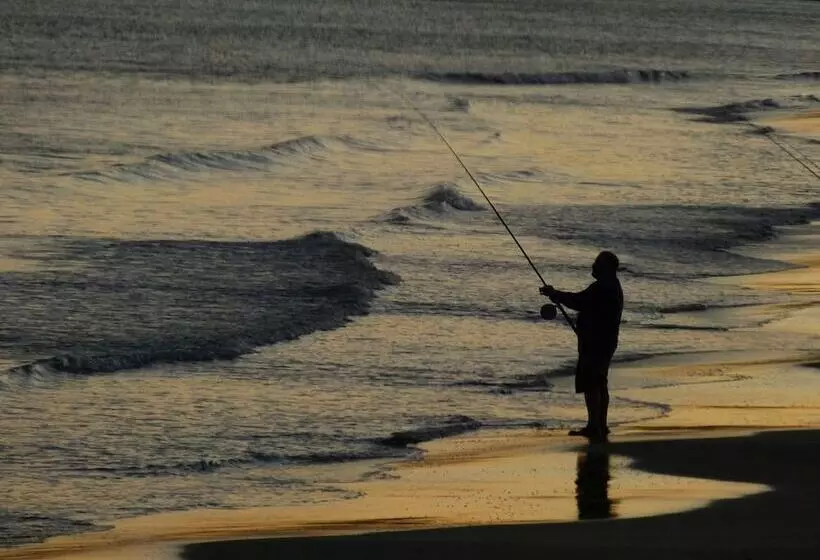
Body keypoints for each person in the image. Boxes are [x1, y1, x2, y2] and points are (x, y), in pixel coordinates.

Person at [540, 251, 623, 442]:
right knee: (599, 382)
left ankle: (594, 426)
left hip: (596, 342)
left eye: (597, 264)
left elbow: (579, 301)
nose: (593, 266)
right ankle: (599, 424)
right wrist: (557, 296)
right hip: (603, 341)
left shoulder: (604, 287)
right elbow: (582, 302)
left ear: (606, 268)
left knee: (592, 383)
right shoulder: (610, 286)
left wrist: (555, 294)